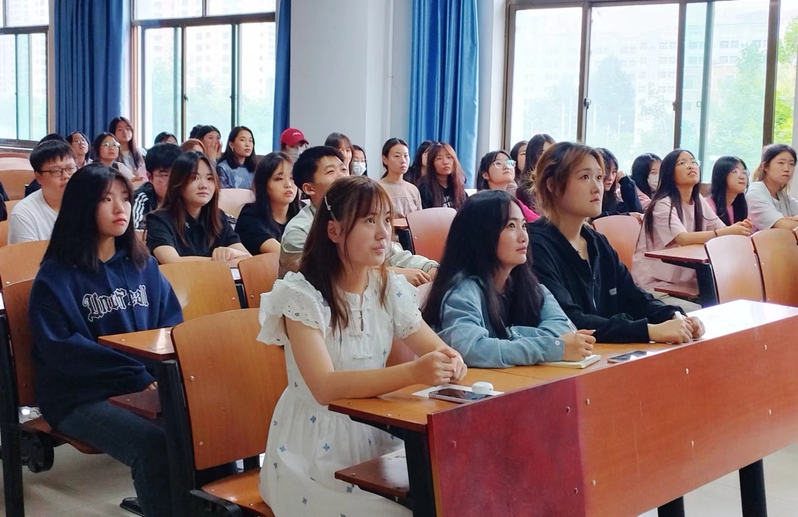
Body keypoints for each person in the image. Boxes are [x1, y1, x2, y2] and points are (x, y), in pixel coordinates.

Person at [257, 174, 466, 517]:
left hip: (376, 431)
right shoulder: (301, 295)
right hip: (311, 450)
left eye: (386, 219)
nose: (384, 233)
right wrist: (415, 372)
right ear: (334, 230)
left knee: (450, 495)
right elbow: (325, 387)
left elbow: (437, 349)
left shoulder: (388, 286)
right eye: (369, 221)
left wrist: (451, 361)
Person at [29, 163, 183, 517]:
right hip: (80, 396)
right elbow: (64, 350)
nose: (120, 208)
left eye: (125, 198)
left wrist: (160, 375)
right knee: (154, 445)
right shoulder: (56, 276)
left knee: (207, 425)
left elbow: (170, 325)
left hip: (143, 385)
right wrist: (138, 376)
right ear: (83, 206)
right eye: (106, 199)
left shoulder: (143, 265)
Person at [529, 141, 704, 344]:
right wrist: (650, 331)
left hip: (604, 353)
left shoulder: (597, 242)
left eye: (599, 177)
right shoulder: (535, 245)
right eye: (585, 177)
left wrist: (674, 316)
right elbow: (570, 320)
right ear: (552, 185)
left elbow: (634, 297)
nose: (597, 187)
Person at [422, 190, 593, 368]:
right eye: (511, 226)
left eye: (524, 226)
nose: (523, 236)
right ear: (482, 234)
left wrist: (509, 335)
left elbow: (563, 328)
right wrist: (549, 347)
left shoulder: (530, 286)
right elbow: (471, 350)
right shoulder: (463, 291)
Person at [279, 146, 438, 284]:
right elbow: (325, 276)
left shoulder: (359, 218)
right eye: (331, 172)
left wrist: (430, 268)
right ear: (309, 189)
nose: (343, 177)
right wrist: (392, 274)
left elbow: (393, 254)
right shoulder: (299, 231)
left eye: (343, 169)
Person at [632, 149, 751, 307]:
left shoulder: (698, 201)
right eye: (682, 163)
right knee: (706, 315)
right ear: (669, 173)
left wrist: (738, 229)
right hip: (655, 285)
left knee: (733, 305)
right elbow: (683, 238)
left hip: (685, 284)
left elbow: (720, 228)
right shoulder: (662, 204)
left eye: (693, 162)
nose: (691, 166)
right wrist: (728, 231)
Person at [146, 151, 251, 265]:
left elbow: (248, 259)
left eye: (210, 178)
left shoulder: (218, 218)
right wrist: (220, 261)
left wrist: (232, 253)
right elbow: (172, 261)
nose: (203, 185)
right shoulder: (159, 219)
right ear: (178, 181)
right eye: (194, 178)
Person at [9, 140, 77, 244]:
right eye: (55, 171)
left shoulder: (88, 202)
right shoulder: (23, 214)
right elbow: (27, 254)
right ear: (39, 177)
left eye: (70, 168)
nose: (66, 176)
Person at [236, 151, 301, 255]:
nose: (288, 184)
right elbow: (285, 255)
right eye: (279, 179)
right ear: (264, 184)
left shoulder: (303, 212)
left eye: (292, 178)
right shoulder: (249, 217)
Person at [745, 144, 798, 231]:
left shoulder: (782, 196)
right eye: (781, 163)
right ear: (765, 166)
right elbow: (783, 226)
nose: (787, 169)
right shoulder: (755, 192)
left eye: (791, 164)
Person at [476, 150, 539, 222]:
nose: (506, 167)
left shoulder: (513, 201)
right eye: (498, 163)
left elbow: (537, 221)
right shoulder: (480, 203)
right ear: (485, 175)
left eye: (509, 163)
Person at [132, 143, 182, 230]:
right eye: (164, 176)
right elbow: (136, 233)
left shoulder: (189, 197)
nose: (172, 182)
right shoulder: (141, 199)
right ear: (150, 177)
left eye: (176, 175)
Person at [378, 138, 422, 218]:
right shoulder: (378, 188)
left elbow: (419, 219)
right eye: (397, 156)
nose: (403, 160)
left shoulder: (413, 189)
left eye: (406, 156)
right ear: (385, 159)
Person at [418, 142, 467, 210]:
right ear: (431, 163)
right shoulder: (425, 189)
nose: (445, 162)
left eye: (449, 157)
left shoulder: (458, 184)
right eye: (439, 158)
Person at [596, 147, 642, 217]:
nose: (610, 178)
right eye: (606, 171)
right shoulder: (589, 197)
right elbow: (593, 218)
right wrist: (626, 215)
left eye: (614, 172)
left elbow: (636, 213)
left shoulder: (612, 199)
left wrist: (626, 182)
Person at [517, 134, 556, 212]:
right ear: (534, 155)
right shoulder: (525, 190)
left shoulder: (559, 183)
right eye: (544, 153)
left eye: (553, 153)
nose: (550, 157)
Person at [707, 156, 749, 226]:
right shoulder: (708, 205)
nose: (742, 177)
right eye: (735, 171)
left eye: (744, 172)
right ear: (722, 176)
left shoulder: (739, 206)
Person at [109, 116, 147, 181]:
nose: (125, 132)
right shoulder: (111, 154)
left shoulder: (142, 152)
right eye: (120, 129)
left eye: (128, 129)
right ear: (113, 133)